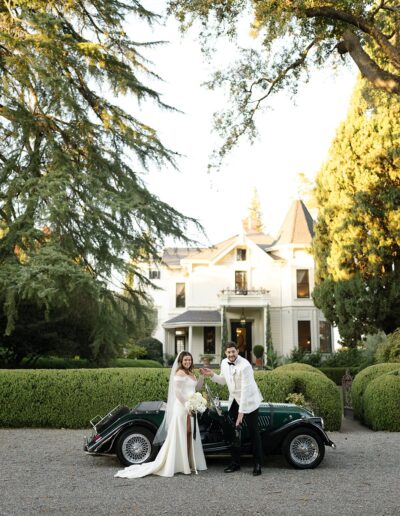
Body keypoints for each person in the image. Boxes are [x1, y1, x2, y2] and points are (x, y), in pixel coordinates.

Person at [115, 351, 207, 478]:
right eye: (185, 360)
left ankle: (190, 462)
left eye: (189, 360)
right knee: (183, 434)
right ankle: (181, 464)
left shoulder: (191, 373)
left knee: (190, 434)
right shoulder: (179, 373)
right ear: (181, 361)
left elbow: (196, 389)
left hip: (191, 407)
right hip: (183, 408)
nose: (187, 362)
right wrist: (187, 405)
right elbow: (178, 393)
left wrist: (202, 377)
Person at [200, 341, 263, 476]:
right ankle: (235, 463)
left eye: (233, 351)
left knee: (253, 432)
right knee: (233, 431)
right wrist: (212, 374)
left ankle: (257, 464)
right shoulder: (224, 363)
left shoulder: (245, 366)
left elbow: (246, 391)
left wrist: (241, 414)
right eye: (228, 352)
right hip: (235, 400)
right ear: (225, 353)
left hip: (250, 401)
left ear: (237, 351)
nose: (231, 354)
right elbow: (223, 380)